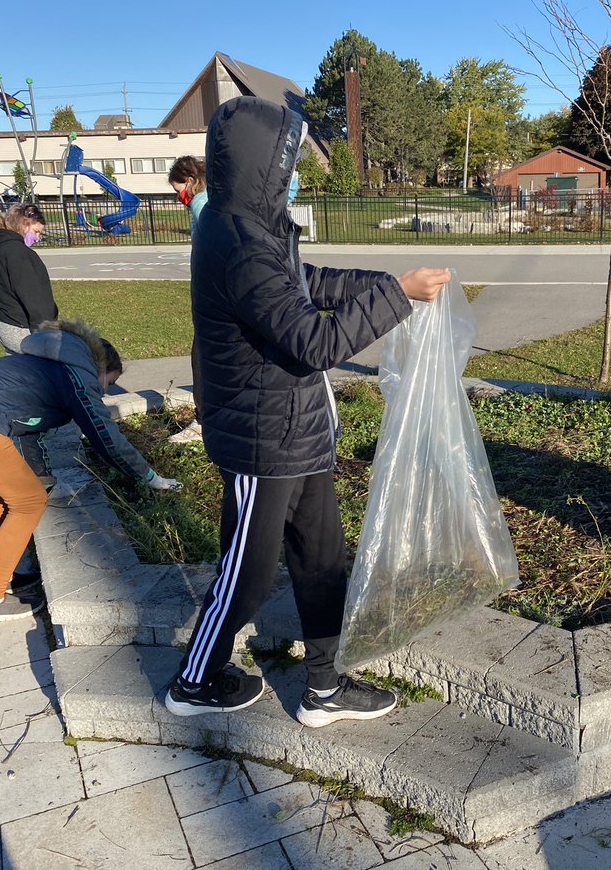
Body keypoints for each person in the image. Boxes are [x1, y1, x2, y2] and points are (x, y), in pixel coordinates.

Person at [164, 95, 450, 724]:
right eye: (289, 159)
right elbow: (314, 341)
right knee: (248, 575)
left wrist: (385, 285)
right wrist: (397, 298)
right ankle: (194, 680)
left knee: (322, 561)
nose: (295, 171)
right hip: (262, 439)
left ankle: (325, 688)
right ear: (263, 163)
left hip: (301, 429)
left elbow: (309, 282)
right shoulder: (235, 240)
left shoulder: (259, 226)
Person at [0, 320, 180, 626]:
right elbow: (104, 434)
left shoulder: (46, 364)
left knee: (12, 494)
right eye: (108, 382)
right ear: (100, 368)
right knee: (28, 500)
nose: (105, 392)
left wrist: (39, 475)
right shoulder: (77, 376)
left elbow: (25, 425)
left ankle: (6, 572)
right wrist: (149, 477)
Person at [0, 202, 59, 355]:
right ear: (24, 226)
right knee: (39, 372)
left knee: (18, 370)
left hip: (2, 322)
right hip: (20, 325)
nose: (37, 238)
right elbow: (34, 296)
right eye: (36, 232)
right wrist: (46, 332)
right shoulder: (19, 253)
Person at [167, 156, 208, 444]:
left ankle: (205, 422)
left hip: (211, 299)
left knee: (202, 359)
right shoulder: (211, 200)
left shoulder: (201, 204)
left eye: (178, 189)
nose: (178, 196)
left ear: (190, 181)